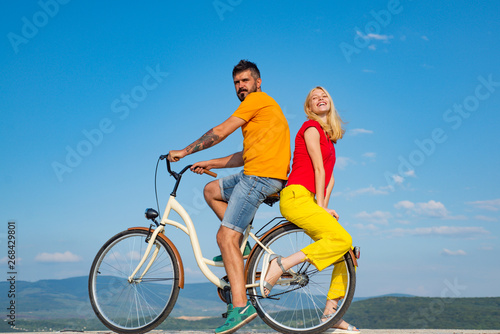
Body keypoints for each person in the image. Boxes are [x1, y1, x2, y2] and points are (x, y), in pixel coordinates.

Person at [168, 60, 291, 334]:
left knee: (225, 237)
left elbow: (221, 131)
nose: (241, 87)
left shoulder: (257, 100)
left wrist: (186, 152)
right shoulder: (260, 112)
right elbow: (244, 156)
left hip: (260, 177)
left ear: (258, 82)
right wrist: (210, 162)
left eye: (245, 81)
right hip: (256, 172)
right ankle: (243, 246)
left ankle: (241, 305)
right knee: (211, 190)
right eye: (237, 83)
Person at [261, 86, 359, 333]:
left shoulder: (330, 141)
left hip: (309, 199)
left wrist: (323, 206)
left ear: (330, 102)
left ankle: (331, 313)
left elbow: (330, 180)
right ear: (310, 108)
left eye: (324, 95)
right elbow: (318, 170)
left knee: (344, 250)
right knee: (343, 238)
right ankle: (281, 265)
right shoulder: (311, 128)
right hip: (296, 197)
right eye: (314, 98)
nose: (320, 99)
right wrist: (321, 208)